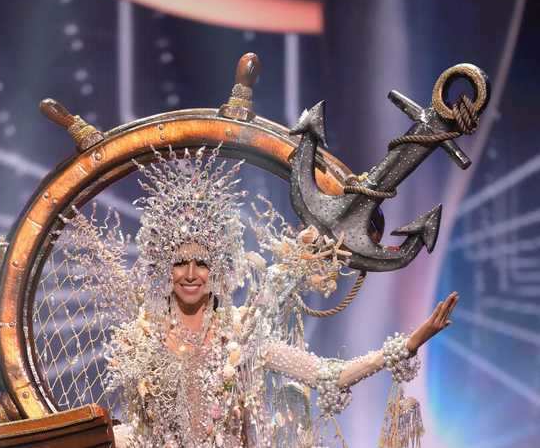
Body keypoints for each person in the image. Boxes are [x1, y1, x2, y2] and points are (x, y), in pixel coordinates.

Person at [64, 147, 457, 448]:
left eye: (200, 263)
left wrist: (407, 345)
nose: (189, 274)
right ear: (164, 269)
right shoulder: (141, 339)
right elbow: (138, 430)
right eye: (179, 262)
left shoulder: (242, 337)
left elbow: (327, 374)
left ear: (216, 269)